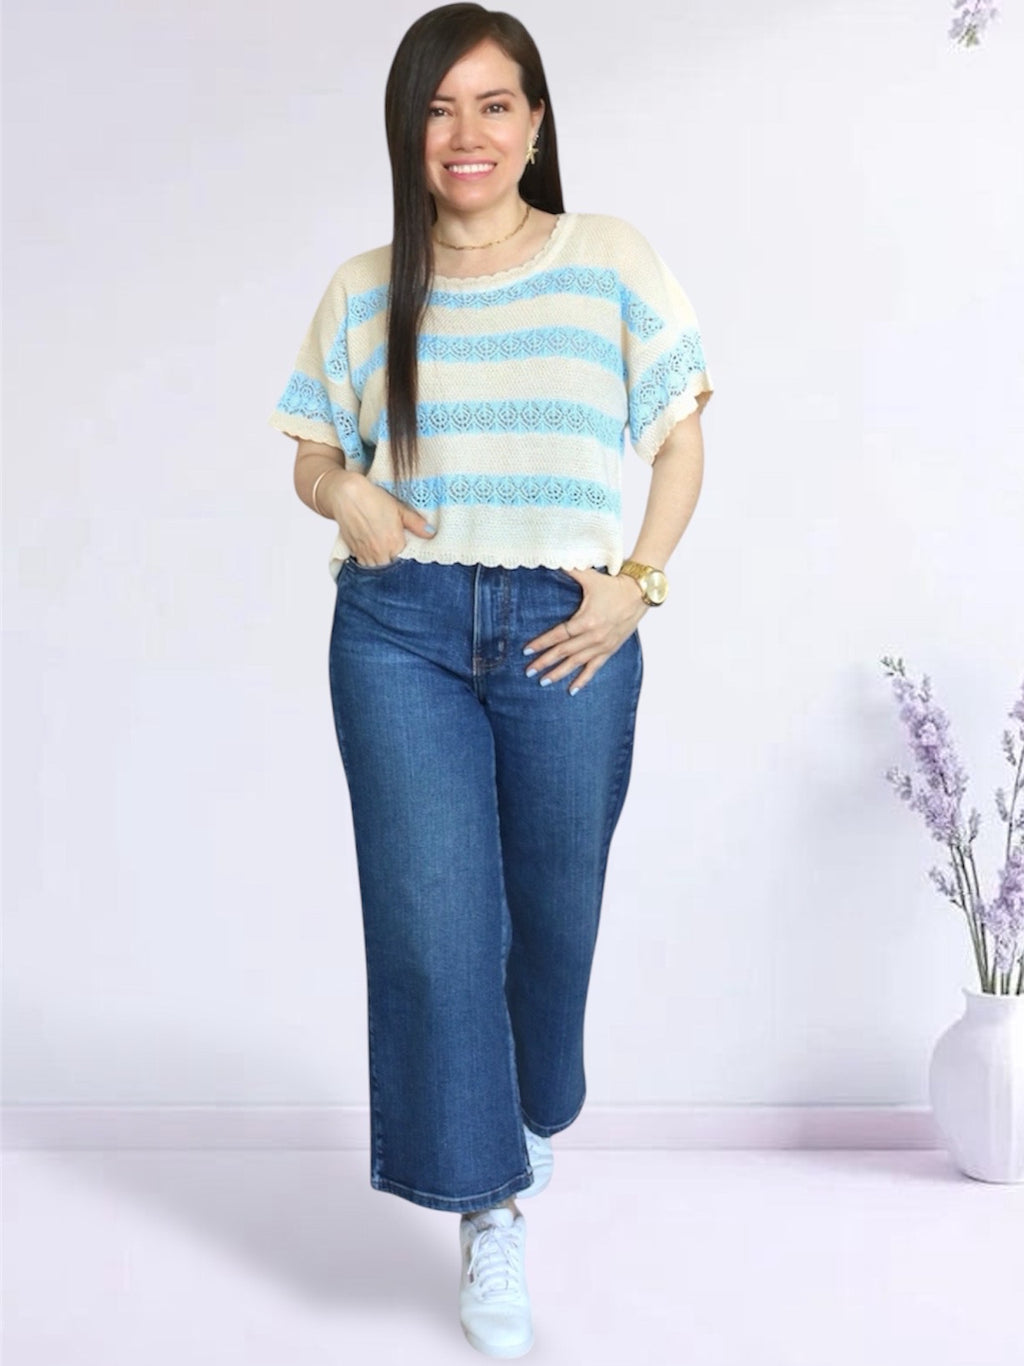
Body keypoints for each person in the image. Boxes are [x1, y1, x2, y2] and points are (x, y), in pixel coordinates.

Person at [268, 4, 713, 1357]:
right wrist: (343, 492)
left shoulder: (608, 258)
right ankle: (489, 1209)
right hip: (397, 631)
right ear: (408, 130)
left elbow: (681, 441)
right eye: (438, 106)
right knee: (437, 927)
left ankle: (533, 1099)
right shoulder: (363, 288)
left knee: (556, 914)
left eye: (494, 104)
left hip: (565, 630)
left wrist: (638, 583)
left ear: (535, 123)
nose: (465, 133)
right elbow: (312, 455)